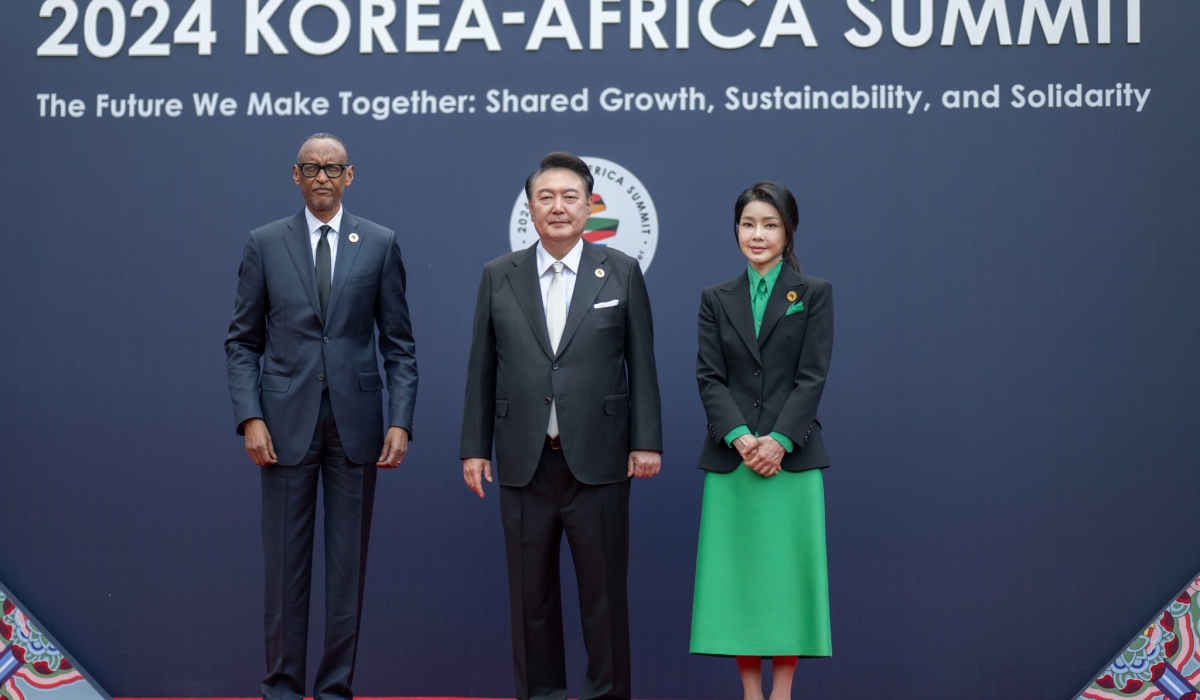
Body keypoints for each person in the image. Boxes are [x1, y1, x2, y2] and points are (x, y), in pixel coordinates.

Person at [460, 152, 663, 700]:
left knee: (603, 601)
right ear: (529, 208)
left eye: (569, 197)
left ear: (589, 205)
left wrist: (646, 441)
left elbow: (641, 362)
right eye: (545, 197)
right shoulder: (498, 275)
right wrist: (474, 448)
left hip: (600, 461)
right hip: (524, 461)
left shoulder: (620, 270)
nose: (557, 207)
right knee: (532, 602)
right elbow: (483, 365)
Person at [225, 133, 418, 700]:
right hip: (282, 428)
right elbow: (242, 342)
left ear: (349, 176)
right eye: (311, 168)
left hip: (357, 428)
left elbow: (400, 345)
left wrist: (400, 420)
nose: (322, 178)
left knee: (345, 571)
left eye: (332, 168)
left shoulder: (379, 243)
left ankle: (335, 691)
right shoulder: (265, 243)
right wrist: (249, 417)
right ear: (295, 175)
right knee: (284, 571)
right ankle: (282, 689)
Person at [690, 181, 834, 700]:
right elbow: (709, 377)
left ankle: (783, 692)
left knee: (786, 579)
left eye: (769, 224)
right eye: (748, 224)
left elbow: (812, 377)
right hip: (734, 462)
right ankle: (751, 693)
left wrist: (777, 441)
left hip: (790, 460)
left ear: (788, 230)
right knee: (742, 582)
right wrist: (740, 438)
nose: (757, 234)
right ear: (736, 229)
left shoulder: (813, 293)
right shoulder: (715, 298)